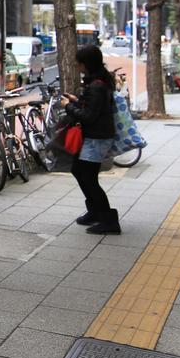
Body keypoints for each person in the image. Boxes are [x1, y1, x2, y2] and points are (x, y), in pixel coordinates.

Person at [63, 44, 121, 235]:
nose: (77, 66)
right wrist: (76, 101)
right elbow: (92, 108)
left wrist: (68, 107)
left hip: (96, 138)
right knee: (80, 172)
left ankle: (109, 219)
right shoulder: (96, 81)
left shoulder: (96, 85)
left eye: (79, 63)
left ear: (86, 64)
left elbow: (88, 116)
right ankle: (95, 211)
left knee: (87, 177)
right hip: (95, 136)